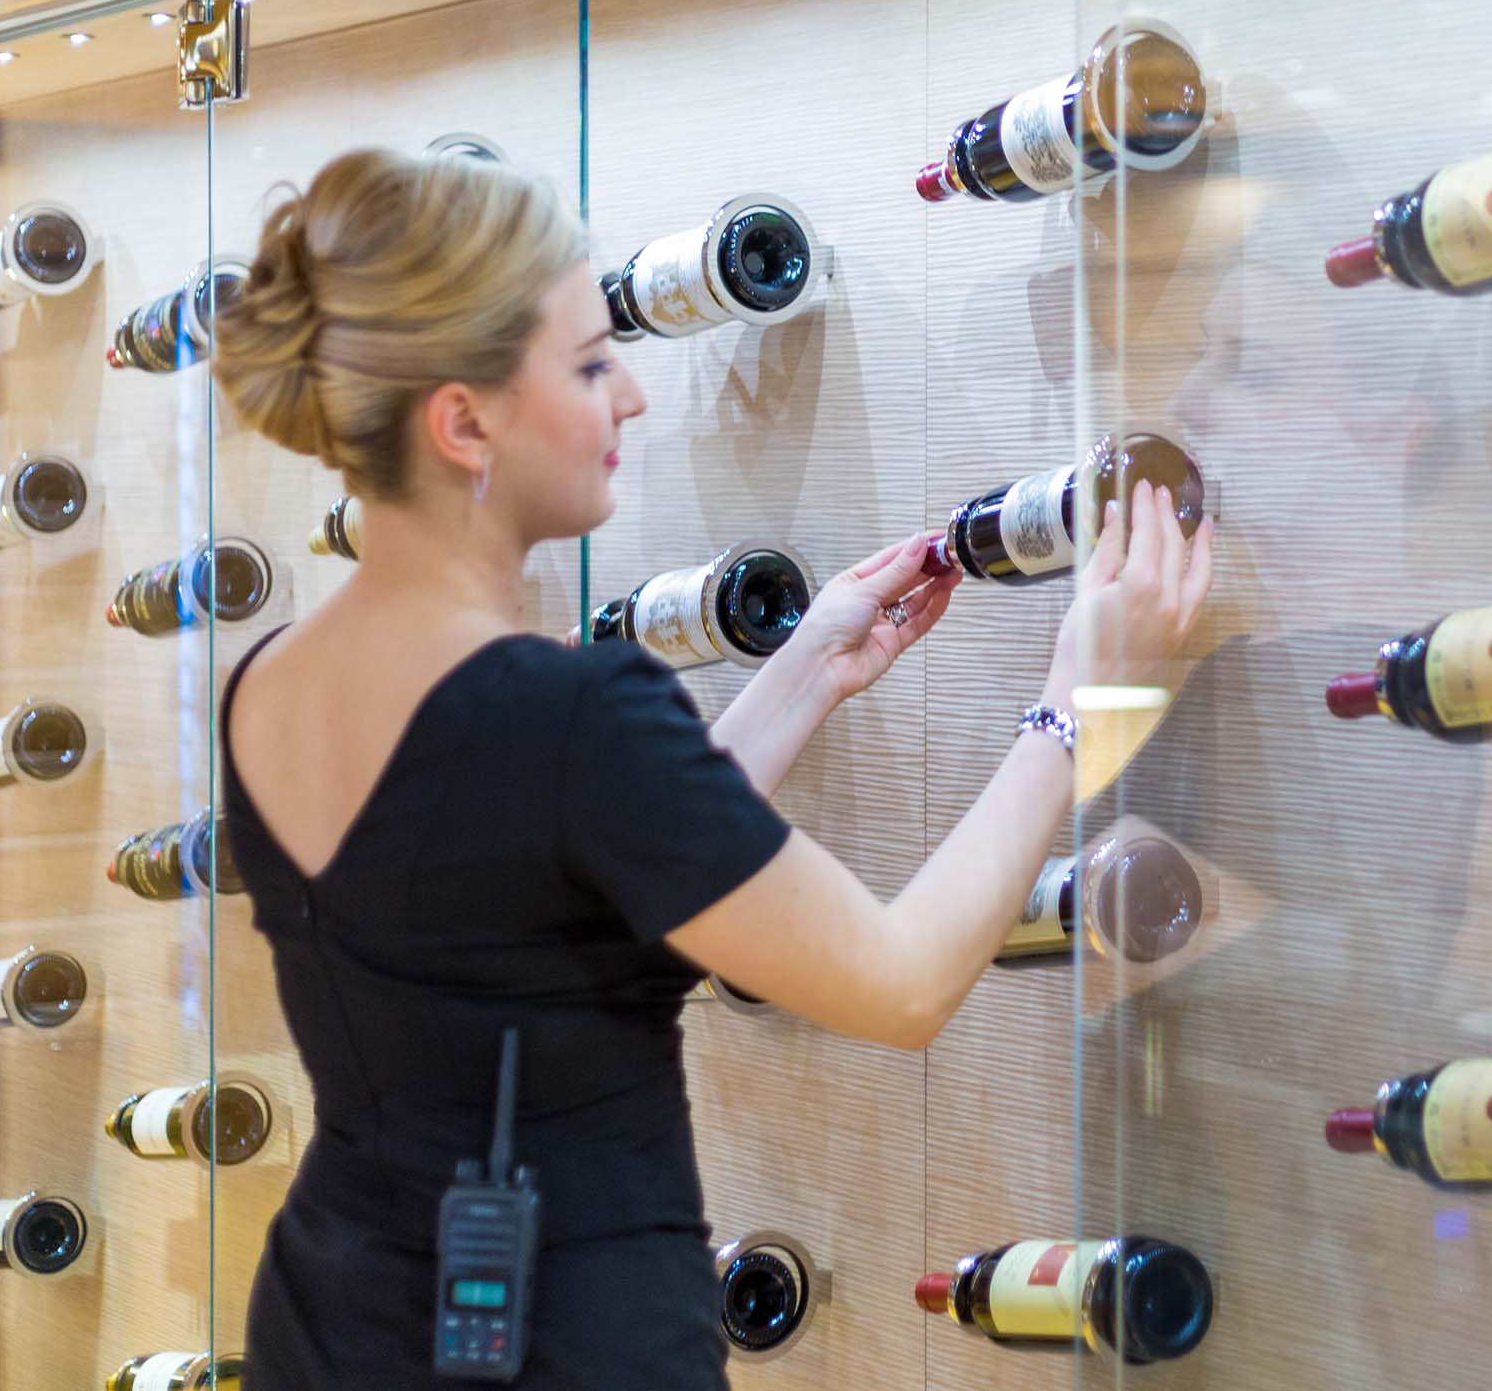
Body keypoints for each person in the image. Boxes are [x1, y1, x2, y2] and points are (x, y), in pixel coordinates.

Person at [211, 148, 1213, 1388]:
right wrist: (1079, 706)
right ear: (464, 421)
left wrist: (801, 674)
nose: (630, 395)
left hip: (330, 1321)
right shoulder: (565, 714)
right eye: (587, 364)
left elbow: (533, 887)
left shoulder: (269, 680)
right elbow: (898, 988)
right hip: (565, 1345)